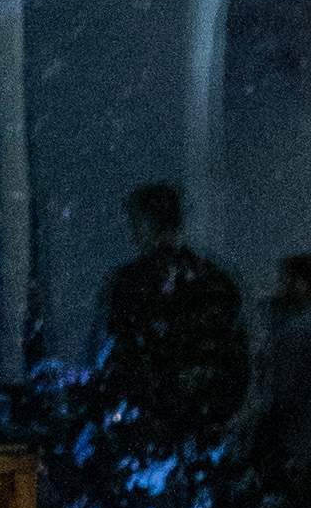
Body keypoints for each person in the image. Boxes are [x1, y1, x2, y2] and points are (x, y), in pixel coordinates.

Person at [95, 183, 248, 442]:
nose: (132, 234)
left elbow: (118, 355)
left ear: (147, 223)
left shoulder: (130, 283)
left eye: (136, 223)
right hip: (198, 422)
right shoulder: (214, 279)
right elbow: (233, 361)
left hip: (159, 423)